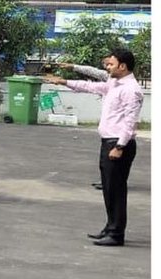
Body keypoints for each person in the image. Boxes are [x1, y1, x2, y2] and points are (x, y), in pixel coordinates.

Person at [42, 48, 143, 246]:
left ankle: (116, 234)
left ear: (123, 66)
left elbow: (130, 122)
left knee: (116, 190)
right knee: (108, 189)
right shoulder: (114, 83)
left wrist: (120, 146)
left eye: (111, 64)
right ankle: (110, 227)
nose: (107, 68)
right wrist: (65, 82)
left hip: (118, 145)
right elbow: (92, 87)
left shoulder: (131, 90)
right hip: (109, 142)